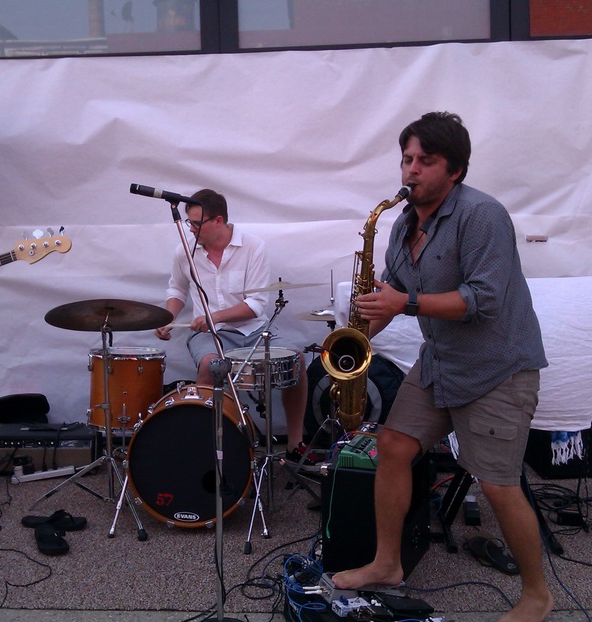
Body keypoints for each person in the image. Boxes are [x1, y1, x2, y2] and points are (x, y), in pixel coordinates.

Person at [332, 112, 553, 622]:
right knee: (392, 445)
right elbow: (387, 298)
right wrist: (355, 336)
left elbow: (484, 299)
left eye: (425, 162)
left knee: (497, 483)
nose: (411, 171)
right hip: (441, 363)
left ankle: (537, 594)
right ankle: (387, 564)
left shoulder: (483, 215)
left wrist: (404, 304)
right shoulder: (401, 225)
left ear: (455, 169)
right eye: (406, 159)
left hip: (498, 368)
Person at [154, 189, 311, 461]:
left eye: (195, 223)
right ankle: (210, 448)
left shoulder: (252, 247)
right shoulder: (184, 252)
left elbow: (256, 304)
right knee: (209, 365)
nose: (190, 229)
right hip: (209, 334)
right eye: (189, 222)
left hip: (252, 329)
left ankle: (295, 443)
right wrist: (168, 317)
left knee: (295, 358)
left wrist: (214, 316)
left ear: (218, 220)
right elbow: (176, 290)